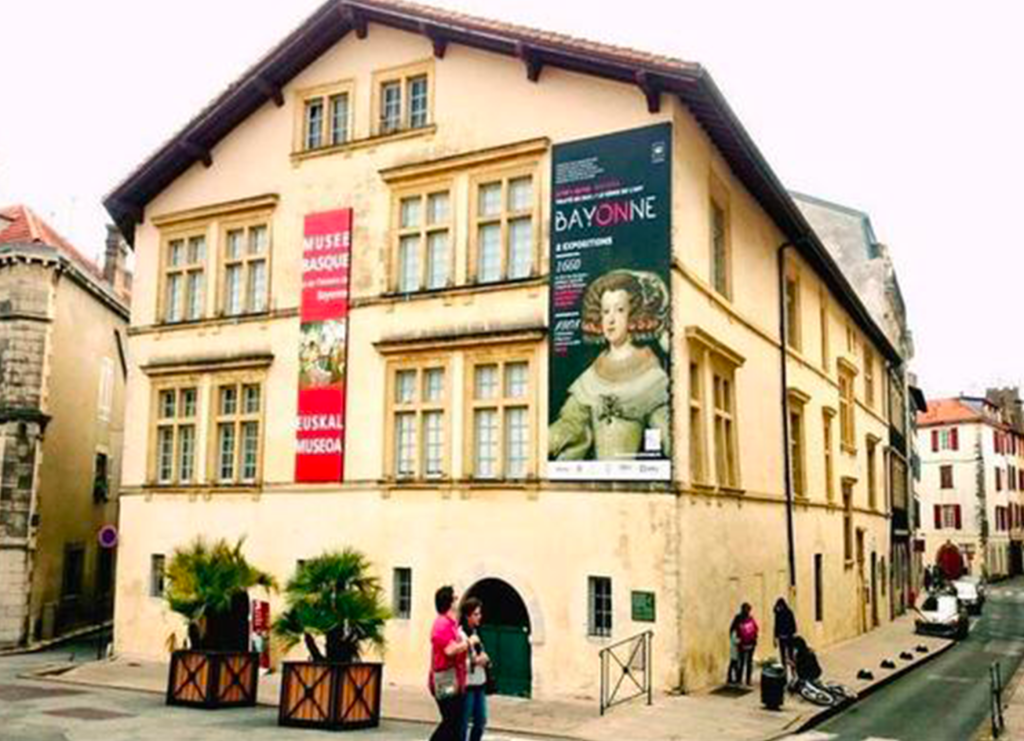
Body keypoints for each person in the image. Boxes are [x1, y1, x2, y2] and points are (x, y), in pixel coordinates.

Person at [548, 270, 671, 461]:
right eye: (606, 311)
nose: (611, 320)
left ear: (633, 315)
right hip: (593, 482)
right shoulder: (590, 377)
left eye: (620, 310)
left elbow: (666, 435)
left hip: (634, 482)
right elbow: (572, 424)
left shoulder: (652, 377)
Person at [429, 586, 469, 741]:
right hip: (444, 679)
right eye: (455, 598)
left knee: (456, 722)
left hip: (454, 677)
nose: (457, 600)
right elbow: (449, 650)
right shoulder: (441, 624)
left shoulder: (450, 623)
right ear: (449, 602)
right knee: (451, 721)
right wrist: (467, 643)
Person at [459, 597, 490, 741]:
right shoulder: (461, 635)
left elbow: (480, 652)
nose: (479, 617)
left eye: (479, 613)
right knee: (463, 723)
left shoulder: (476, 633)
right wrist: (476, 661)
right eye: (476, 614)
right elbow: (459, 662)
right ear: (467, 616)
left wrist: (485, 659)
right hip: (468, 684)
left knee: (481, 721)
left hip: (480, 683)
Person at [734, 603, 758, 686]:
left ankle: (743, 680)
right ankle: (743, 679)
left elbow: (733, 629)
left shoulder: (742, 618)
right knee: (744, 662)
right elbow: (756, 630)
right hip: (746, 642)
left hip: (747, 643)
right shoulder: (742, 618)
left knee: (745, 662)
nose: (747, 611)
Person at [773, 598, 797, 676]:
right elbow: (776, 626)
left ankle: (793, 673)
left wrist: (788, 634)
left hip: (788, 637)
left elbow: (793, 626)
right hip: (783, 638)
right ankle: (785, 673)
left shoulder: (788, 612)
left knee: (790, 656)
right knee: (783, 656)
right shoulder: (778, 614)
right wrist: (775, 637)